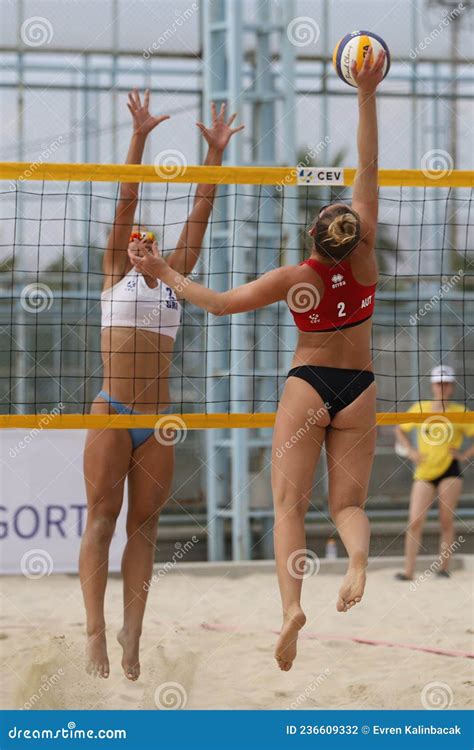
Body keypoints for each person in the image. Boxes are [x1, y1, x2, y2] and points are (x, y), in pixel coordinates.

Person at [128, 50, 386, 672]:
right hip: (360, 388)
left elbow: (216, 304)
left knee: (288, 508)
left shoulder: (295, 275)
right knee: (347, 506)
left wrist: (161, 271)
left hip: (309, 385)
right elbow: (369, 165)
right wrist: (366, 94)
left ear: (314, 237)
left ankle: (290, 607)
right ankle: (355, 561)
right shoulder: (368, 259)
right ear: (354, 234)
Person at [80, 89, 244, 680]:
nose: (139, 242)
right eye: (134, 240)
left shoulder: (174, 279)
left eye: (148, 241)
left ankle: (131, 635)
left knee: (143, 530)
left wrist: (216, 155)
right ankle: (96, 633)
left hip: (159, 422)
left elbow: (201, 210)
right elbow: (127, 198)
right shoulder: (113, 273)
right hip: (113, 409)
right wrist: (140, 136)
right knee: (101, 520)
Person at [395, 365, 474, 581]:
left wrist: (465, 455)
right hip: (424, 470)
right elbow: (399, 428)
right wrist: (410, 451)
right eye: (439, 383)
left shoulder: (460, 412)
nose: (443, 387)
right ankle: (408, 571)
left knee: (446, 519)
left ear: (452, 386)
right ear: (432, 385)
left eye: (446, 383)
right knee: (415, 521)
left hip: (450, 469)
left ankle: (443, 567)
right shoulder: (421, 408)